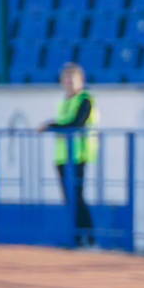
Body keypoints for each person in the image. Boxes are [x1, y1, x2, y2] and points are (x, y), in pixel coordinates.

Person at [41, 63, 98, 247]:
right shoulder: (64, 101)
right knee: (69, 197)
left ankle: (88, 237)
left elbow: (76, 123)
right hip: (62, 156)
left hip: (78, 155)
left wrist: (51, 126)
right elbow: (65, 122)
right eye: (65, 79)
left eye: (72, 79)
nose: (68, 83)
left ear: (81, 80)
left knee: (78, 196)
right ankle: (76, 237)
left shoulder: (85, 99)